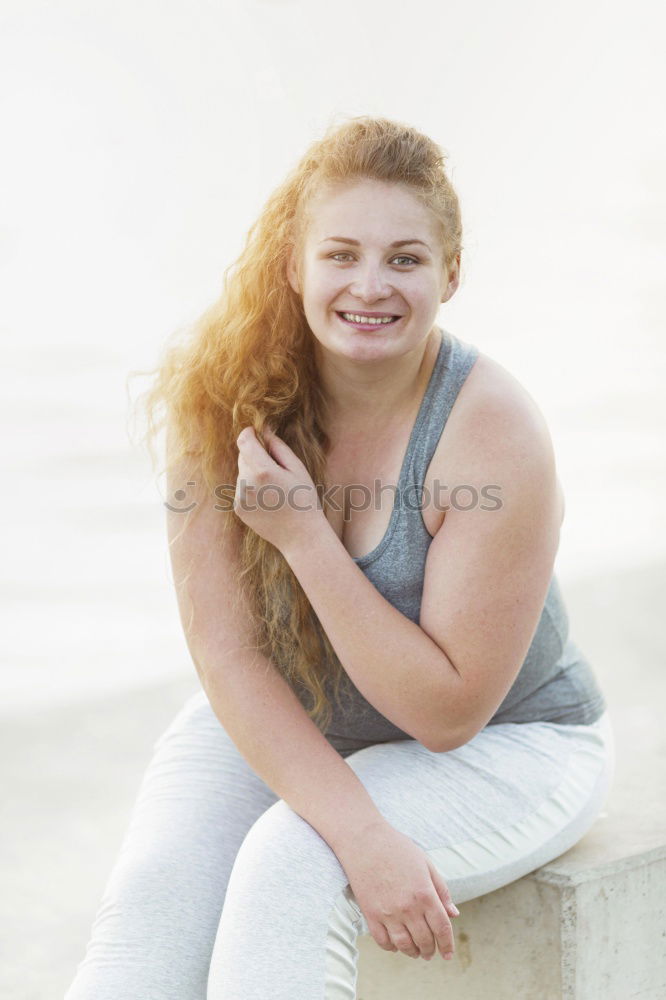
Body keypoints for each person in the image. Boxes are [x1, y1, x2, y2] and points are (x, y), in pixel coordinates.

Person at [65, 115, 614, 1000]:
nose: (371, 285)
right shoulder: (223, 395)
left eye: (405, 259)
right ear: (294, 265)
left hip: (511, 744)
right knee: (148, 916)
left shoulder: (492, 430)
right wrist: (358, 824)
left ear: (451, 274)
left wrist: (305, 538)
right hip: (303, 704)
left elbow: (447, 712)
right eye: (341, 254)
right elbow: (229, 652)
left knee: (290, 864)